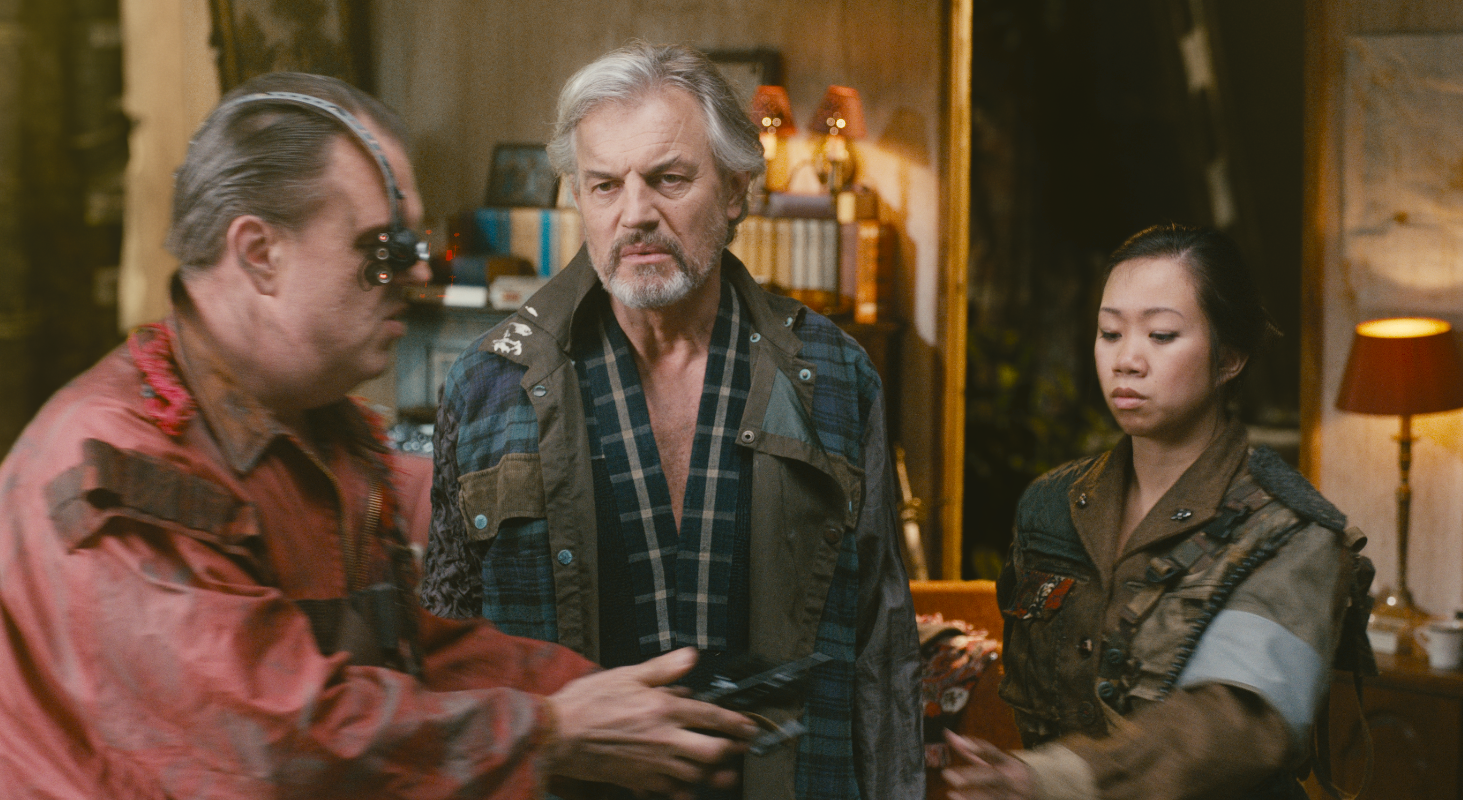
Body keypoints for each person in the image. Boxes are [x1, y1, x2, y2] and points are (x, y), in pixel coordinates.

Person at [0, 71, 759, 799]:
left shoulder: (321, 430)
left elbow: (407, 652)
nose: (417, 273)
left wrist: (623, 698)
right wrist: (552, 731)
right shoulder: (116, 460)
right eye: (383, 249)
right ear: (260, 254)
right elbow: (274, 746)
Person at [421, 43, 922, 800]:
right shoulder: (489, 385)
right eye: (605, 185)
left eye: (669, 179)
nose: (635, 215)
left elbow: (881, 657)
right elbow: (445, 653)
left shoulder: (835, 377)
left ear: (736, 190)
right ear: (579, 199)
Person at [946, 225, 1373, 800]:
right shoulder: (1050, 506)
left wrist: (1063, 777)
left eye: (1162, 335)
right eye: (1110, 333)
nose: (1126, 360)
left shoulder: (1291, 532)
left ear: (1230, 358)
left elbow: (1237, 723)